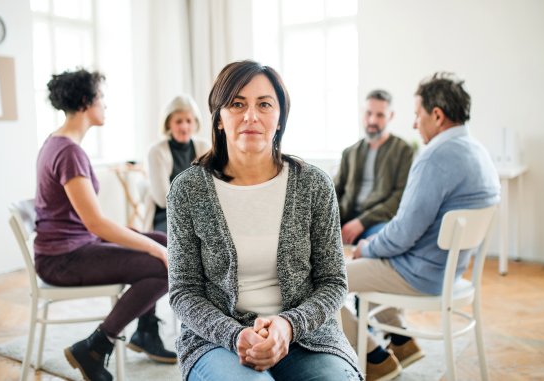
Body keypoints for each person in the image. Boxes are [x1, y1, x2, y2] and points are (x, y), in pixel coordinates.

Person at [166, 60, 363, 381]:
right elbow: (184, 291)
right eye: (237, 104)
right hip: (217, 340)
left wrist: (288, 325)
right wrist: (234, 334)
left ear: (280, 118)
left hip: (306, 337)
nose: (251, 116)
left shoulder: (314, 185)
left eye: (264, 104)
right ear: (219, 119)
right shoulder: (188, 190)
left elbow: (334, 282)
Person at [341, 72, 500, 381]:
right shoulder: (479, 152)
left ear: (437, 116)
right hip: (450, 271)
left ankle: (375, 359)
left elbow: (401, 234)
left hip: (421, 275)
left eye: (418, 115)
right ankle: (403, 345)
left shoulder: (434, 158)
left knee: (324, 281)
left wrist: (366, 247)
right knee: (371, 264)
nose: (415, 124)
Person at [34, 69, 177, 381]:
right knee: (167, 263)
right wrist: (151, 247)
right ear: (86, 102)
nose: (106, 106)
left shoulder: (57, 142)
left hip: (73, 248)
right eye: (102, 98)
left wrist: (152, 242)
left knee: (163, 243)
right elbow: (95, 223)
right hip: (62, 260)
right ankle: (97, 346)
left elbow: (91, 222)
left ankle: (145, 332)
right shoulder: (69, 152)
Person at [334, 90, 414, 245]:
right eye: (368, 113)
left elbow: (400, 196)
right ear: (362, 112)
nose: (372, 120)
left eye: (380, 115)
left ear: (390, 116)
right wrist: (331, 216)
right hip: (346, 217)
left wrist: (362, 222)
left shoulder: (404, 151)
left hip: (377, 222)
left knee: (385, 240)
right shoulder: (350, 152)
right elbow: (335, 189)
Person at [146, 94, 210, 233]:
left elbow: (211, 188)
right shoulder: (156, 151)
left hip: (199, 214)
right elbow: (164, 200)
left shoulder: (204, 147)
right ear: (168, 123)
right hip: (167, 216)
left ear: (195, 122)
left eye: (188, 120)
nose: (184, 126)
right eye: (178, 121)